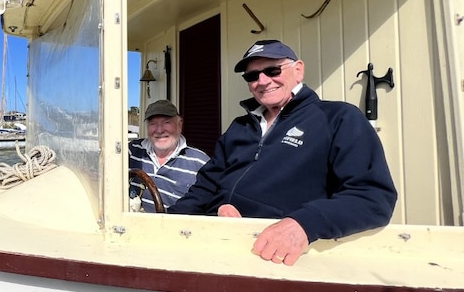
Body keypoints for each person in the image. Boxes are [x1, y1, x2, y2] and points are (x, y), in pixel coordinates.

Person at [168, 39, 397, 266]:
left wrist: (303, 224)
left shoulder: (338, 119)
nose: (262, 81)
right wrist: (165, 223)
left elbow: (373, 197)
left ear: (298, 70)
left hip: (277, 257)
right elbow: (206, 186)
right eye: (252, 76)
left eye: (272, 70)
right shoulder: (240, 127)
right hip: (216, 243)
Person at [129, 100, 210, 212]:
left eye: (166, 122)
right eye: (153, 123)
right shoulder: (131, 151)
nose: (159, 130)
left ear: (179, 124)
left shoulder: (200, 163)